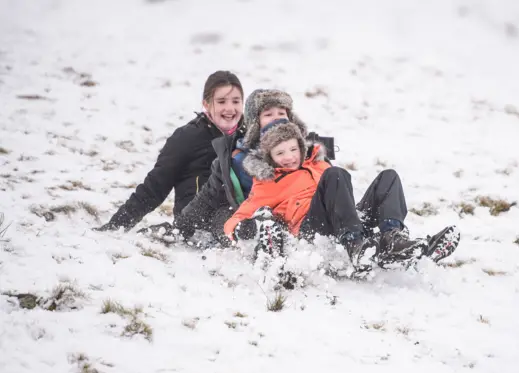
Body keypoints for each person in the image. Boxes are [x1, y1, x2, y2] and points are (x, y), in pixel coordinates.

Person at [224, 119, 460, 272]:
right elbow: (234, 221)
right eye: (280, 153)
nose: (289, 157)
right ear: (270, 157)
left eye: (294, 149)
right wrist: (243, 230)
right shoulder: (268, 183)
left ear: (301, 147)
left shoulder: (318, 165)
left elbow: (340, 196)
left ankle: (392, 238)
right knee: (336, 175)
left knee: (388, 177)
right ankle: (355, 246)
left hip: (346, 219)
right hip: (313, 228)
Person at [94, 70, 245, 232]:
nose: (230, 108)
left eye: (236, 101)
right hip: (195, 224)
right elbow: (155, 187)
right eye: (221, 101)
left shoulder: (248, 137)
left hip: (238, 217)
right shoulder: (188, 137)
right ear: (207, 104)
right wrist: (115, 227)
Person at [174, 89, 315, 246]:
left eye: (281, 113)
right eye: (268, 115)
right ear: (255, 123)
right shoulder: (236, 160)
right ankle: (256, 238)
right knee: (220, 216)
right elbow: (207, 199)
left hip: (302, 214)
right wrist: (178, 229)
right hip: (253, 216)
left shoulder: (306, 151)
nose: (276, 119)